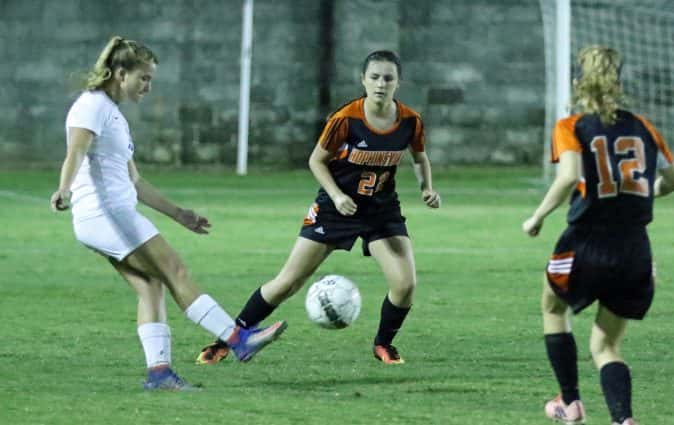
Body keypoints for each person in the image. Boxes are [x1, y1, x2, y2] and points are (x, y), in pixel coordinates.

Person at [50, 36, 285, 391]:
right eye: (143, 78)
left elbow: (135, 181)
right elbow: (75, 152)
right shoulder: (91, 105)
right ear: (119, 73)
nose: (148, 86)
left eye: (150, 79)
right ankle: (238, 340)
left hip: (106, 215)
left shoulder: (111, 112)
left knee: (151, 286)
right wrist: (64, 188)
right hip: (105, 214)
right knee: (175, 270)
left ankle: (159, 375)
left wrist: (180, 215)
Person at [196, 50, 440, 366]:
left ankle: (383, 345)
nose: (381, 83)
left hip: (381, 210)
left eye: (388, 78)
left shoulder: (409, 121)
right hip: (335, 208)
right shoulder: (345, 119)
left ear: (398, 82)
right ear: (363, 79)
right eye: (375, 77)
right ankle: (225, 341)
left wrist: (427, 188)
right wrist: (337, 196)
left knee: (405, 284)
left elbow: (420, 158)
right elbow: (316, 161)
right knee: (288, 282)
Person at [522, 46, 674, 425]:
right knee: (606, 344)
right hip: (635, 250)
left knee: (552, 309)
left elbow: (567, 177)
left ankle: (570, 402)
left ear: (579, 84)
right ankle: (623, 420)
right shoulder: (644, 127)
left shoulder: (572, 126)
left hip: (585, 243)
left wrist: (537, 216)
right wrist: (644, 190)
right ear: (619, 84)